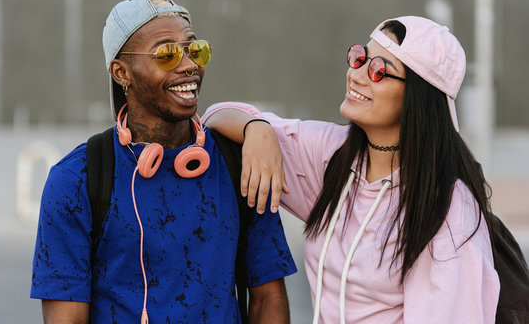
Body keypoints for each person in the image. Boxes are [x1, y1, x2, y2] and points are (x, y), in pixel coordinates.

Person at [203, 16, 500, 323]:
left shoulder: (447, 210)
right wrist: (258, 130)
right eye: (360, 58)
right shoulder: (331, 155)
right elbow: (216, 116)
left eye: (379, 70)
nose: (356, 75)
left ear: (419, 97)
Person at [30, 0, 297, 323]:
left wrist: (259, 127)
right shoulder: (76, 179)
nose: (189, 66)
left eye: (195, 50)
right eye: (167, 54)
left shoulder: (241, 163)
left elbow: (266, 299)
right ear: (121, 73)